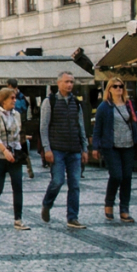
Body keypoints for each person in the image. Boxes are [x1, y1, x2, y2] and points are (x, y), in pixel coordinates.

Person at [92, 78, 137, 223]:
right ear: (109, 89)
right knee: (117, 175)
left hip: (128, 146)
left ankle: (124, 209)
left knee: (127, 177)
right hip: (111, 147)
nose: (118, 89)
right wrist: (96, 147)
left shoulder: (130, 105)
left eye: (121, 86)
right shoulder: (104, 107)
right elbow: (97, 129)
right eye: (115, 86)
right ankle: (109, 203)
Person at [40, 71, 89, 229]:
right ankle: (47, 203)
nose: (69, 85)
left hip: (74, 149)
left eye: (72, 82)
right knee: (57, 181)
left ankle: (72, 217)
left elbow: (81, 126)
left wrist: (84, 148)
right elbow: (44, 127)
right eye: (67, 81)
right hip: (57, 149)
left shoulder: (76, 103)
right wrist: (47, 149)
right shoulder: (50, 102)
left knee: (75, 184)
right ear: (59, 83)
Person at [0, 88, 29, 230]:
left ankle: (18, 219)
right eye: (11, 98)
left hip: (14, 154)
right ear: (3, 100)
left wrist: (19, 148)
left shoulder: (16, 115)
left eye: (15, 98)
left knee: (18, 186)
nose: (14, 100)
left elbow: (17, 133)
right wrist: (5, 151)